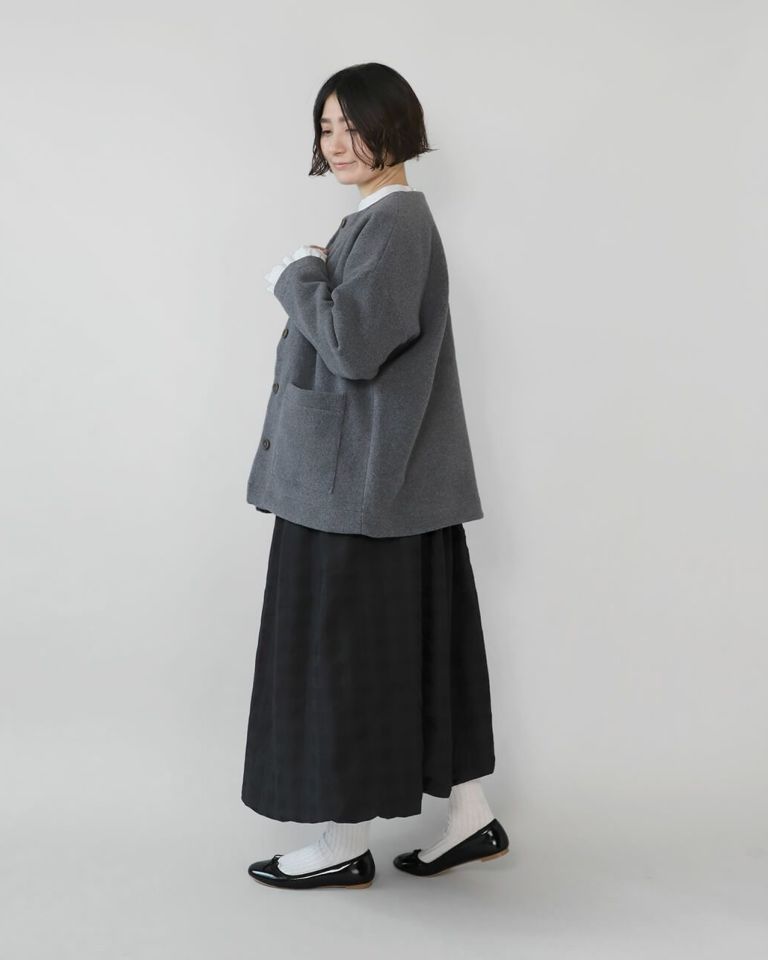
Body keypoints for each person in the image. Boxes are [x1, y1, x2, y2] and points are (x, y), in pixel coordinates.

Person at [241, 62, 510, 890]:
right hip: (374, 483)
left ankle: (342, 839)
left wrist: (296, 275)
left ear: (396, 127)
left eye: (354, 126)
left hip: (354, 489)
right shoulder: (377, 221)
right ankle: (470, 816)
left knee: (344, 657)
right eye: (327, 127)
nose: (338, 142)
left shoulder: (394, 224)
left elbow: (353, 346)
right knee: (415, 647)